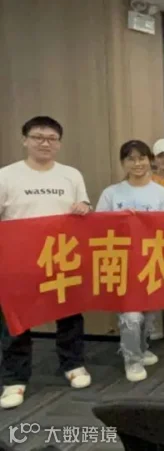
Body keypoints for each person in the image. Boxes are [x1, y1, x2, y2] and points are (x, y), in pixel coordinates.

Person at [0, 116, 92, 409]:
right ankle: (14, 379)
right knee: (15, 321)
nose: (45, 143)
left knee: (69, 315)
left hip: (62, 257)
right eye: (38, 137)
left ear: (59, 144)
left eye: (51, 138)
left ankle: (73, 364)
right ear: (25, 140)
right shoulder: (6, 176)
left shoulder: (70, 175)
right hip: (19, 260)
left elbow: (85, 207)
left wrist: (84, 207)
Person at [96, 140, 164, 382]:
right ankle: (131, 359)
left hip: (152, 261)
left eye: (141, 158)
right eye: (130, 159)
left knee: (149, 315)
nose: (137, 163)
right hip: (121, 263)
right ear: (123, 163)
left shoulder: (161, 193)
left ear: (149, 160)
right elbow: (97, 227)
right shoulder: (111, 193)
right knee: (131, 317)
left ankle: (141, 348)